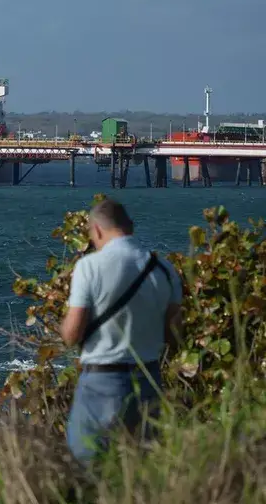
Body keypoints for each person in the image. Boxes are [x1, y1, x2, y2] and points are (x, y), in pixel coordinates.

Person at [60, 198, 183, 463]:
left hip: (102, 382)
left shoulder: (89, 267)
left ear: (97, 230)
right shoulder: (165, 270)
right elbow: (174, 335)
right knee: (141, 464)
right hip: (148, 379)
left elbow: (71, 335)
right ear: (131, 227)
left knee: (87, 465)